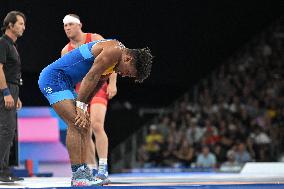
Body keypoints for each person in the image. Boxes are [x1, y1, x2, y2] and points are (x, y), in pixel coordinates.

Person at [38, 39, 153, 186]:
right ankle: (78, 175)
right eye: (128, 72)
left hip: (65, 82)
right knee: (75, 123)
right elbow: (90, 76)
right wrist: (80, 106)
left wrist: (84, 106)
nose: (124, 75)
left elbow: (98, 83)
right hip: (53, 78)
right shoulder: (114, 51)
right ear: (128, 58)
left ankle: (83, 170)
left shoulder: (115, 61)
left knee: (85, 124)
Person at [61, 14, 118, 183]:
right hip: (80, 92)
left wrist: (113, 83)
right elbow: (67, 76)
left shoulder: (94, 38)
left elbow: (112, 58)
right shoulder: (66, 50)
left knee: (97, 124)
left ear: (79, 25)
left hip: (98, 87)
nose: (67, 28)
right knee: (84, 130)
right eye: (65, 26)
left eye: (70, 24)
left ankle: (103, 168)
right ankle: (92, 169)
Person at [0, 11, 26, 182]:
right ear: (10, 25)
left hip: (12, 88)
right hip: (5, 89)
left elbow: (11, 72)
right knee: (6, 130)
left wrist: (16, 96)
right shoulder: (2, 43)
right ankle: (1, 171)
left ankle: (5, 169)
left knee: (9, 131)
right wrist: (6, 93)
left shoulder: (12, 45)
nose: (23, 27)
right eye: (20, 24)